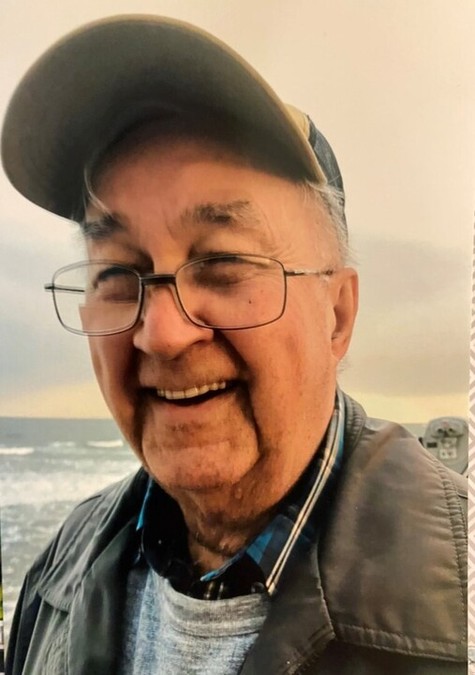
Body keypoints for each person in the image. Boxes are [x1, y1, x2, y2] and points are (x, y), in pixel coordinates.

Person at [1, 15, 467, 675]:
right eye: (118, 273)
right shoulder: (58, 574)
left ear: (336, 315)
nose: (162, 332)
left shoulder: (456, 608)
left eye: (222, 263)